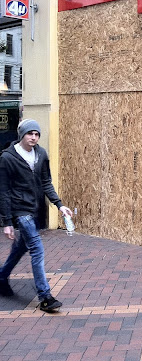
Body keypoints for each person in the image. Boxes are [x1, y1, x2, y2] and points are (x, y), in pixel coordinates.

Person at [0, 119, 72, 312]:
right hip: (20, 210)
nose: (33, 137)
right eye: (30, 133)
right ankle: (45, 296)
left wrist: (59, 205)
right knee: (37, 248)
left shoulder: (41, 154)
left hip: (36, 209)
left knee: (20, 247)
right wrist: (7, 221)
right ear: (21, 135)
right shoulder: (8, 158)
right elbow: (4, 191)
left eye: (36, 134)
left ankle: (1, 277)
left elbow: (46, 182)